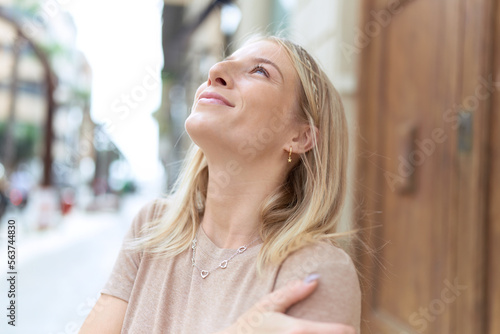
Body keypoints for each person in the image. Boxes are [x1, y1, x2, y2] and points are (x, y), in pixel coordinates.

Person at [80, 35, 361, 334]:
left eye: (260, 71)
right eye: (224, 63)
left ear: (300, 137)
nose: (215, 72)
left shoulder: (315, 271)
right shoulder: (153, 227)